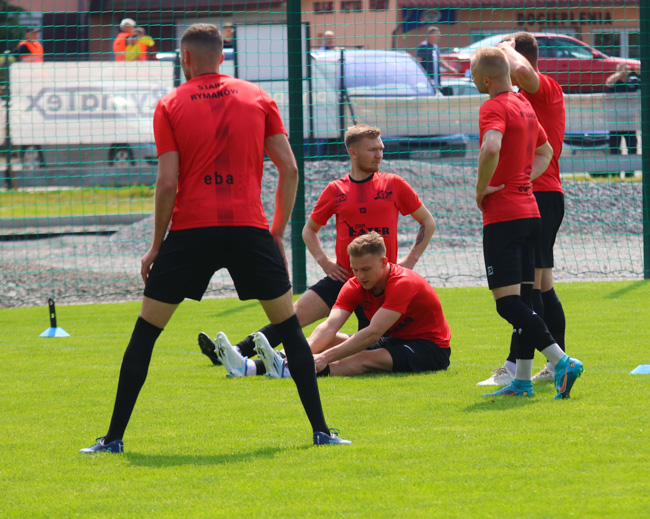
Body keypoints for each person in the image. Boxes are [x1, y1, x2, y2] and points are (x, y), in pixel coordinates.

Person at [79, 23, 350, 454]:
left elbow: (167, 183)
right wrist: (275, 232)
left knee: (145, 335)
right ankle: (321, 431)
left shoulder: (169, 103)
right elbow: (290, 169)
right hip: (248, 229)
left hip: (191, 231)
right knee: (290, 331)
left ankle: (112, 439)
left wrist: (155, 245)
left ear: (184, 59)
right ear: (224, 56)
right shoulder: (259, 97)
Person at [200, 123, 436, 378]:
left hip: (378, 284)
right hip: (343, 278)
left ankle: (272, 364)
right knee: (291, 318)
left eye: (381, 149)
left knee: (365, 343)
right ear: (353, 153)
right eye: (373, 150)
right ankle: (236, 352)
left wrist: (409, 261)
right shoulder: (336, 190)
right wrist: (325, 262)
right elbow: (308, 230)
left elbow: (427, 222)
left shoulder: (394, 184)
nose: (380, 154)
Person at [470, 46, 583, 399]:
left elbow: (490, 147)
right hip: (532, 210)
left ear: (486, 80)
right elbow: (546, 152)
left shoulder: (493, 106)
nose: (472, 82)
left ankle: (561, 360)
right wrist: (524, 178)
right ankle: (521, 381)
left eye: (472, 76)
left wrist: (481, 188)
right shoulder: (525, 105)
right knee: (528, 299)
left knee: (508, 303)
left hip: (504, 215)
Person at [249, 232, 451, 378]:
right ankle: (255, 366)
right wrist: (303, 353)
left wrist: (323, 358)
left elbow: (373, 332)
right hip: (394, 338)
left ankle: (295, 372)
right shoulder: (354, 284)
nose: (360, 276)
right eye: (355, 269)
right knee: (331, 338)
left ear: (384, 262)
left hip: (430, 347)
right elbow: (330, 325)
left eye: (366, 269)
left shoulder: (403, 283)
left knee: (365, 358)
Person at [604, 51, 650, 163]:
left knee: (633, 147)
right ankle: (615, 171)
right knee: (615, 147)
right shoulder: (615, 82)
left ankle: (630, 172)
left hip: (634, 120)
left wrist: (643, 74)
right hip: (615, 121)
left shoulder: (635, 81)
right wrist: (621, 73)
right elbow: (608, 83)